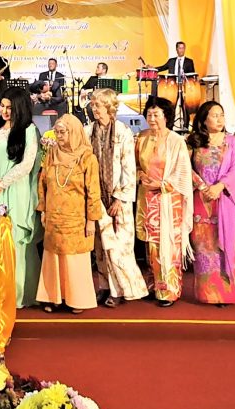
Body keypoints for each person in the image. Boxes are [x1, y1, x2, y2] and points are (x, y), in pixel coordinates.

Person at [187, 101, 235, 306]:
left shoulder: (232, 142)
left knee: (229, 247)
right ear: (203, 120)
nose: (220, 119)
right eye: (214, 115)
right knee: (205, 248)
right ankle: (208, 293)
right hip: (201, 201)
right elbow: (185, 168)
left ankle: (229, 293)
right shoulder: (192, 142)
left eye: (222, 115)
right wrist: (202, 186)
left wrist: (219, 186)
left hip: (227, 200)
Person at [85, 89, 148, 307]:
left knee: (119, 247)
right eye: (93, 105)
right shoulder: (88, 131)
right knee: (101, 247)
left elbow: (129, 167)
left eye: (98, 105)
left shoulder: (123, 131)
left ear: (109, 108)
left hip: (118, 198)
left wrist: (120, 198)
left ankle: (121, 289)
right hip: (97, 197)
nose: (94, 109)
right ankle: (104, 286)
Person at [0, 87, 42, 308]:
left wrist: (3, 183)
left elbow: (27, 164)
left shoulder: (29, 130)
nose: (5, 111)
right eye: (2, 106)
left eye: (10, 108)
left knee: (15, 241)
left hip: (16, 191)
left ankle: (19, 294)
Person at [36, 114, 102, 314]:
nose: (58, 136)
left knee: (74, 259)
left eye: (62, 132)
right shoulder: (52, 154)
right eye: (56, 132)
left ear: (73, 132)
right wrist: (43, 210)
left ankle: (76, 299)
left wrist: (91, 221)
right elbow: (42, 183)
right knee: (53, 256)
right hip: (54, 216)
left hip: (76, 219)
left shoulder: (87, 157)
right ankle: (53, 297)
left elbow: (94, 191)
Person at [135, 97, 194, 307]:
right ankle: (154, 285)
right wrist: (140, 176)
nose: (151, 118)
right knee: (150, 245)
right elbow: (135, 165)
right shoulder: (141, 138)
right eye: (149, 114)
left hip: (169, 199)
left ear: (166, 116)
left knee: (168, 245)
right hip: (146, 198)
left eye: (156, 114)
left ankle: (169, 290)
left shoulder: (176, 141)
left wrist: (161, 185)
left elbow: (182, 172)